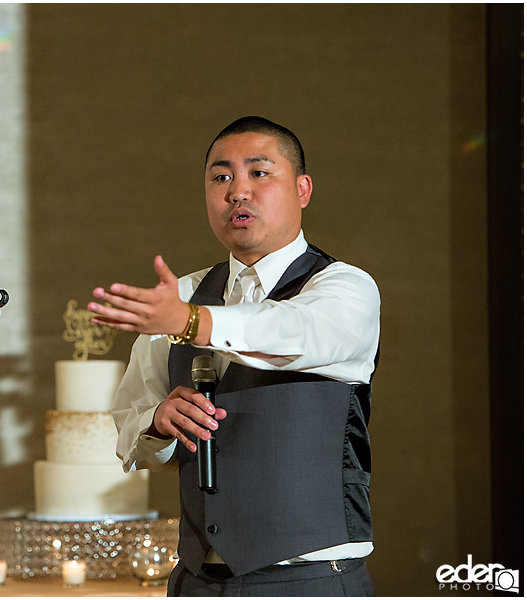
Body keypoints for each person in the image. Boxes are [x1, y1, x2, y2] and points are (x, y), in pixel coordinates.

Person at [88, 116, 380, 596]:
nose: (238, 192)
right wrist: (159, 421)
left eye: (259, 174)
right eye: (221, 177)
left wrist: (191, 322)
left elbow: (294, 333)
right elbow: (128, 429)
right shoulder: (182, 294)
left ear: (303, 189)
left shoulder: (343, 288)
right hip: (198, 580)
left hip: (311, 580)